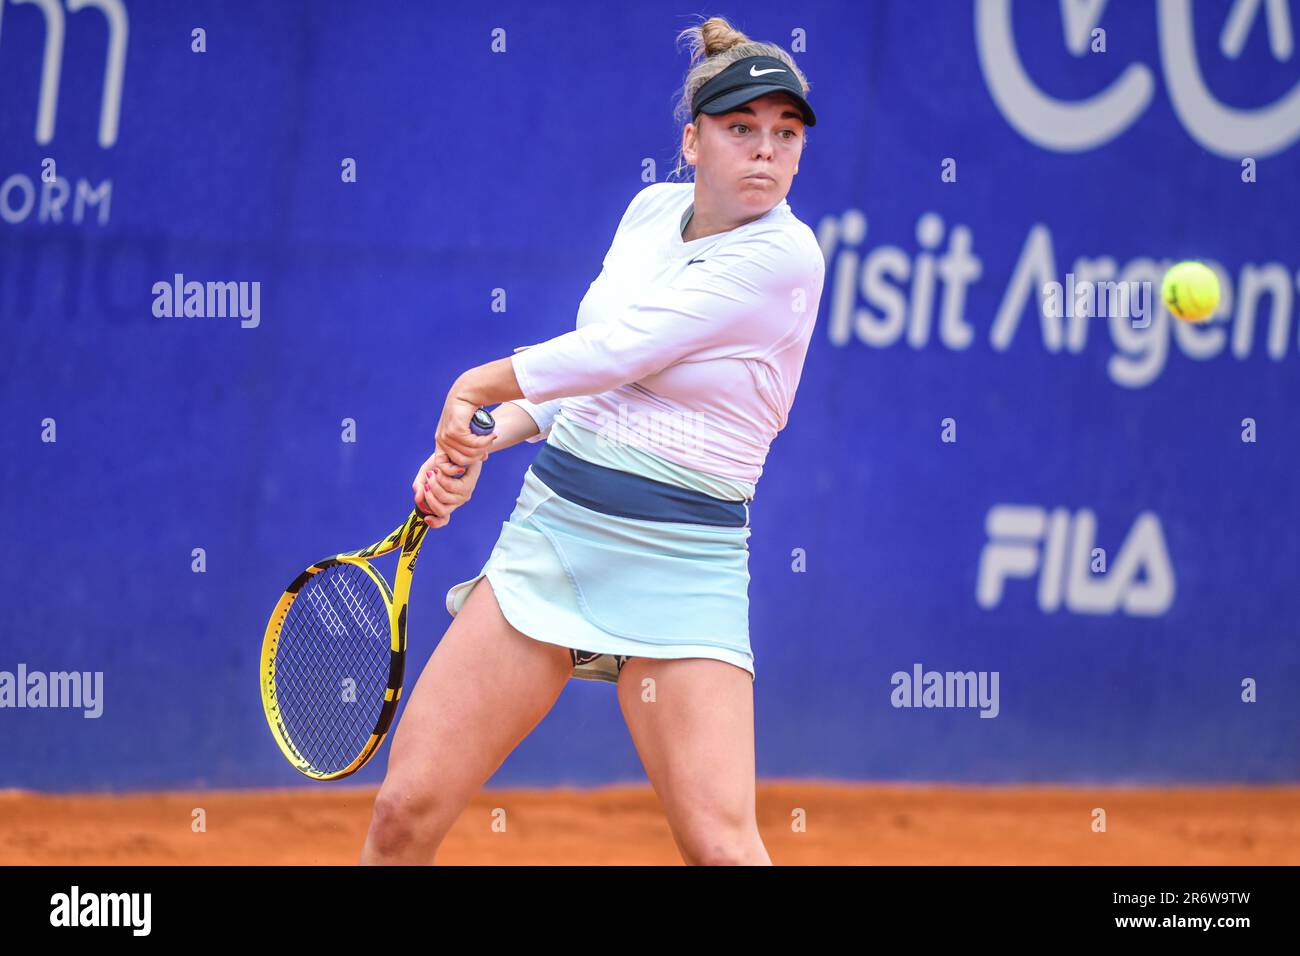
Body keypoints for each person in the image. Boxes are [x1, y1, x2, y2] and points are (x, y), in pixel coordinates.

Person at [360, 15, 823, 866]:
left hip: (686, 565)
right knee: (402, 813)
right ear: (692, 141)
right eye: (742, 129)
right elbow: (593, 380)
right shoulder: (650, 213)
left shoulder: (788, 258)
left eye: (786, 135)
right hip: (556, 535)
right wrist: (486, 439)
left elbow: (623, 348)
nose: (767, 151)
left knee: (721, 847)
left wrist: (475, 388)